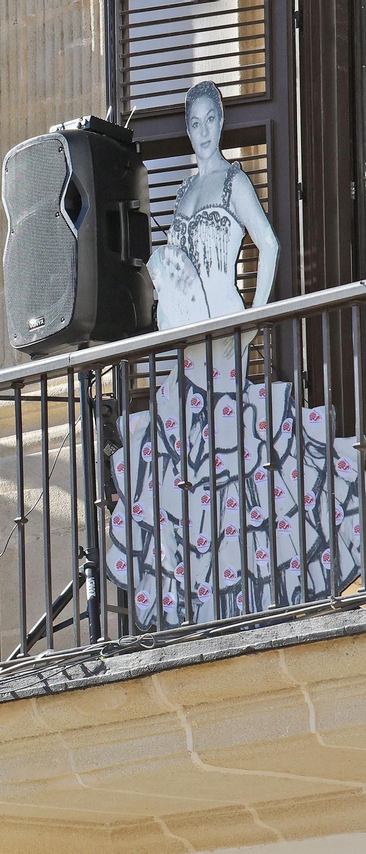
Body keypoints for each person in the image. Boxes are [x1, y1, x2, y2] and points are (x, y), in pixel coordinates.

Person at [104, 79, 363, 627]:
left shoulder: (233, 182)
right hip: (190, 332)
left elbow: (267, 243)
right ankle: (207, 594)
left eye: (207, 121)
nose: (200, 132)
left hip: (227, 321)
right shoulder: (182, 194)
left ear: (220, 122)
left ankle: (253, 585)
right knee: (193, 455)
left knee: (238, 450)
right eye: (192, 124)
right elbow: (172, 266)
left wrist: (254, 316)